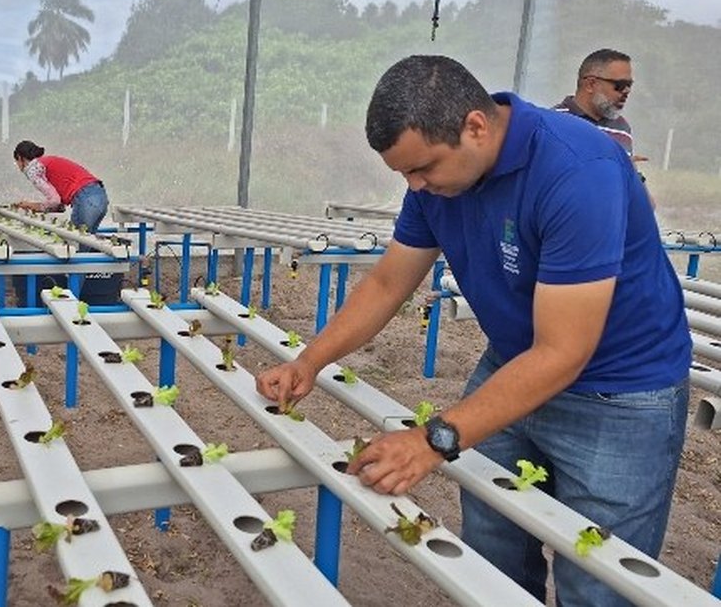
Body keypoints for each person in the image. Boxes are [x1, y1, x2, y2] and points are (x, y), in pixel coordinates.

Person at [256, 55, 690, 607]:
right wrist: (308, 361)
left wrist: (435, 438)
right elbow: (390, 282)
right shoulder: (435, 186)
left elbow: (564, 351)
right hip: (515, 362)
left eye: (424, 168)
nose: (415, 185)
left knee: (599, 582)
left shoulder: (577, 169)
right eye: (405, 174)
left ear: (476, 128)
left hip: (620, 392)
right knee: (492, 550)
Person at [554, 48, 654, 206]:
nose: (627, 91)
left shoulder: (622, 128)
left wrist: (634, 176)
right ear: (591, 84)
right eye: (620, 85)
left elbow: (646, 206)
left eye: (630, 85)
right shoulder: (553, 121)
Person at [11, 140, 109, 232]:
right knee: (88, 245)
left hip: (85, 198)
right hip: (100, 196)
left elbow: (54, 200)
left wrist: (33, 206)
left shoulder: (32, 169)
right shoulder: (46, 162)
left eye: (17, 162)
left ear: (20, 158)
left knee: (75, 244)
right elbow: (59, 205)